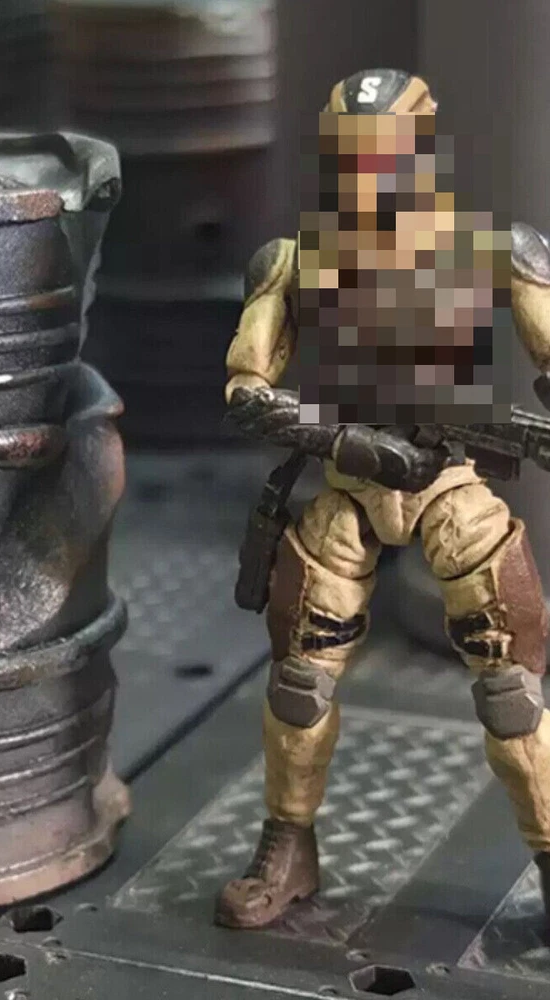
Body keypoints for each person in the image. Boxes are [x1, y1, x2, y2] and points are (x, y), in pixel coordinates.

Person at [217, 68, 550, 930]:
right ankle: (288, 843)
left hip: (450, 489)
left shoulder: (494, 251)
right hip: (348, 490)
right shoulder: (295, 261)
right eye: (351, 154)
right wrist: (344, 442)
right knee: (299, 686)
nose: (368, 172)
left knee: (511, 693)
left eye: (386, 154)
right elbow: (247, 393)